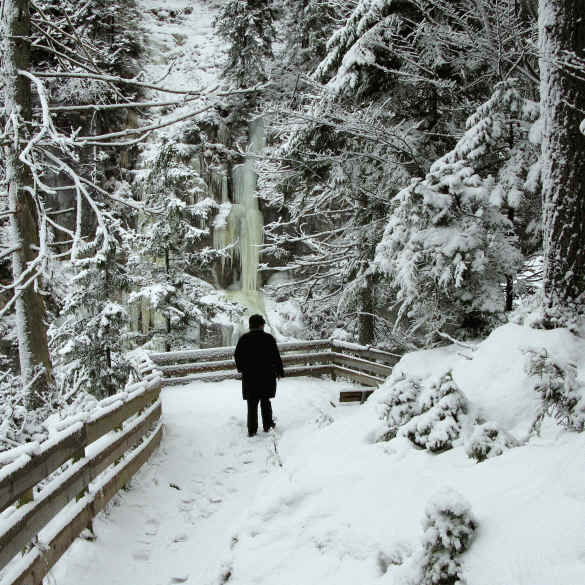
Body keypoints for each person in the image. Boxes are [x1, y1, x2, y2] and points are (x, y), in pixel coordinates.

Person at [234, 314, 284, 437]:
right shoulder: (268, 338)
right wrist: (279, 372)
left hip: (250, 377)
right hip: (266, 376)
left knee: (252, 403)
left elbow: (237, 356)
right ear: (261, 325)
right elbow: (275, 357)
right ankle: (267, 425)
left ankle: (252, 429)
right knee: (265, 401)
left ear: (250, 325)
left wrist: (242, 369)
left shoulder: (244, 339)